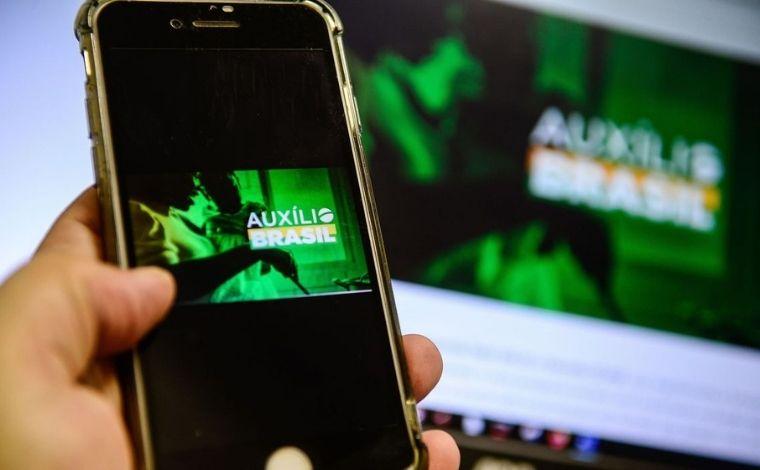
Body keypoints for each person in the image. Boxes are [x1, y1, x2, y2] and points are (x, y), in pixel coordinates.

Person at [0, 188, 459, 469]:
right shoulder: (144, 216)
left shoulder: (191, 219)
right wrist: (252, 251)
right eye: (203, 182)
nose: (202, 188)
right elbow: (178, 285)